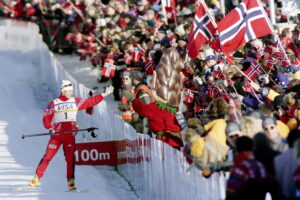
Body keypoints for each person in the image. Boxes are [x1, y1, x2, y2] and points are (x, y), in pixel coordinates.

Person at [28, 80, 114, 190]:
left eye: (71, 91)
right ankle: (36, 178)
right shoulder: (54, 103)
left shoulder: (75, 101)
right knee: (47, 157)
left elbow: (90, 102)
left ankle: (70, 182)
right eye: (68, 91)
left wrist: (103, 94)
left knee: (70, 159)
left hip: (69, 136)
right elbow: (46, 117)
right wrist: (49, 127)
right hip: (56, 136)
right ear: (63, 91)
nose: (70, 93)